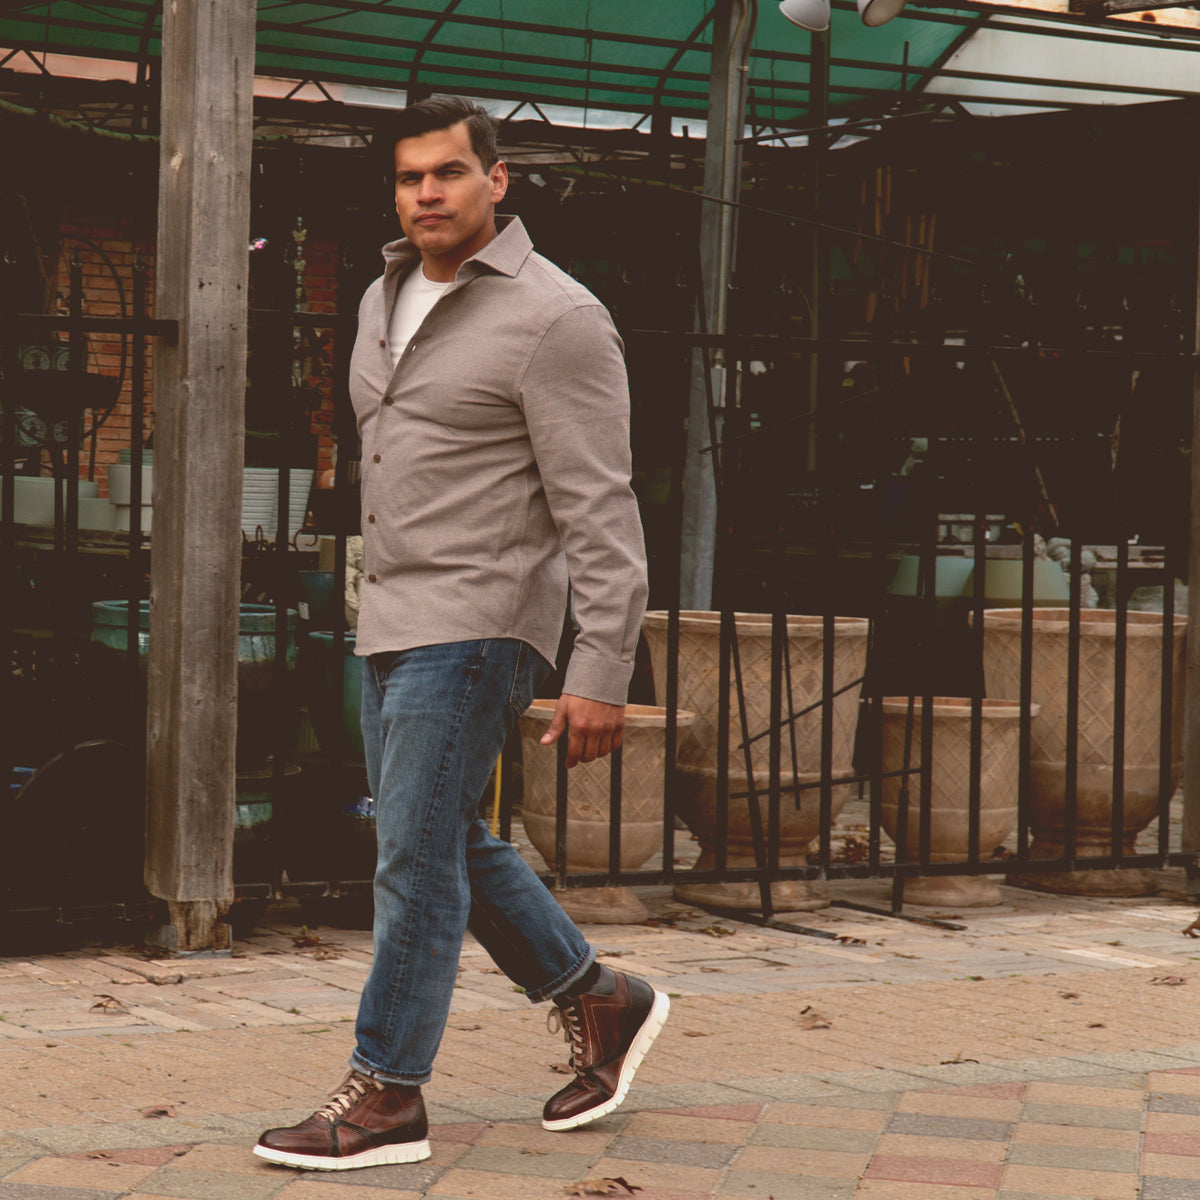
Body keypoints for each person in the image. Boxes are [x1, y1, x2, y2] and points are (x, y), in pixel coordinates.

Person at [254, 95, 666, 1172]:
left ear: (499, 178)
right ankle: (601, 997)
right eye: (409, 177)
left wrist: (600, 670)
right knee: (431, 832)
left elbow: (601, 507)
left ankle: (388, 1092)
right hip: (389, 614)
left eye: (447, 172)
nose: (426, 192)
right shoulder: (383, 294)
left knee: (413, 860)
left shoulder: (556, 318)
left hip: (480, 621)